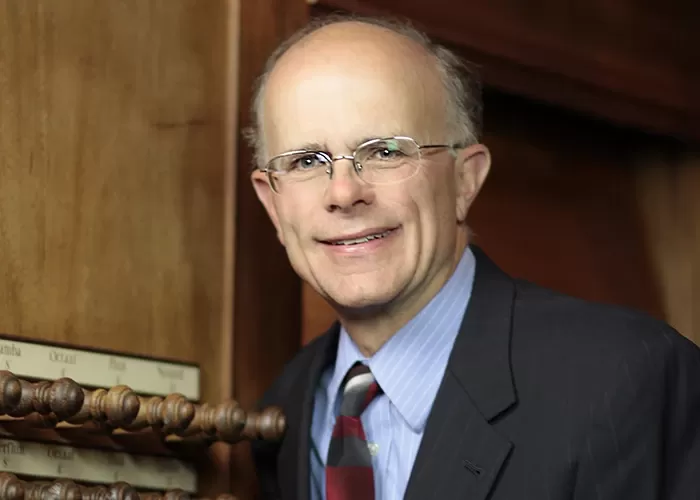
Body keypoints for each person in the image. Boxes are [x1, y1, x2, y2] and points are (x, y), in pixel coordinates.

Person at [245, 14, 700, 500]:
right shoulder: (284, 409)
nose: (343, 192)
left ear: (466, 180)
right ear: (273, 203)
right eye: (306, 162)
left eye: (385, 152)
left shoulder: (629, 378)